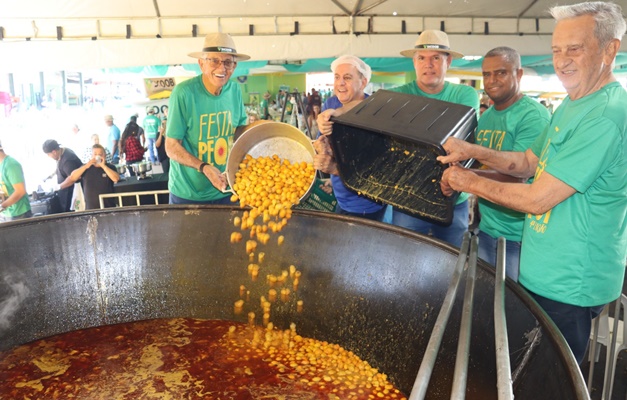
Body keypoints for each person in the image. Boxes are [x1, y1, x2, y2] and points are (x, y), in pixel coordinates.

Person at [438, 1, 626, 363]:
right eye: (557, 50)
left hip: (571, 282)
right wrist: (469, 150)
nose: (562, 60)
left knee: (550, 380)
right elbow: (526, 163)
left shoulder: (605, 115)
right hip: (543, 274)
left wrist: (467, 181)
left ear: (610, 49)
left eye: (575, 49)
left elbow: (538, 198)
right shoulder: (574, 103)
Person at [474, 46, 550, 281]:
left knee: (516, 311)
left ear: (518, 74)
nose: (492, 80)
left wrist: (466, 179)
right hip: (488, 228)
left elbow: (520, 175)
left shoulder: (533, 116)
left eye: (501, 73)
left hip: (519, 235)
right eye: (486, 74)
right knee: (489, 303)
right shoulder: (485, 117)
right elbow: (484, 167)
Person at [165, 32, 250, 205]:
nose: (222, 68)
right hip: (188, 194)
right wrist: (204, 167)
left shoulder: (234, 90)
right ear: (201, 64)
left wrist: (264, 132)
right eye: (214, 61)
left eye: (227, 62)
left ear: (234, 66)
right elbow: (171, 147)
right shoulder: (183, 93)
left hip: (227, 189)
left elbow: (241, 130)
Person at [313, 55, 387, 221]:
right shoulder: (331, 104)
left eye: (347, 78)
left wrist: (333, 169)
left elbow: (372, 171)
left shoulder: (374, 113)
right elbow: (322, 141)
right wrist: (322, 147)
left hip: (366, 205)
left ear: (363, 82)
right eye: (337, 77)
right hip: (341, 194)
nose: (340, 83)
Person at [69, 144, 120, 210]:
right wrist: (86, 166)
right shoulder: (86, 168)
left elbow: (116, 178)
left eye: (100, 154)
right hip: (91, 208)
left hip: (108, 207)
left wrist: (103, 166)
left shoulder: (110, 167)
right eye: (95, 154)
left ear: (104, 156)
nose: (97, 156)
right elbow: (72, 177)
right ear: (92, 156)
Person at [42, 139, 83, 213]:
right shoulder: (62, 152)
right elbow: (61, 167)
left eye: (48, 154)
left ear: (54, 152)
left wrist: (58, 187)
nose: (49, 156)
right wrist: (51, 175)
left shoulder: (68, 160)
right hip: (65, 192)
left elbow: (73, 178)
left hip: (72, 193)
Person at [0, 141, 32, 221]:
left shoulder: (11, 165)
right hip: (6, 213)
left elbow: (20, 191)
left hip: (19, 213)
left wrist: (2, 206)